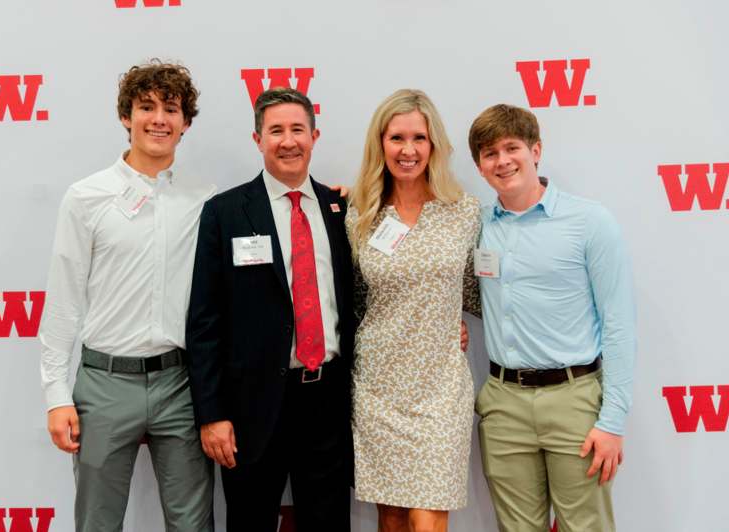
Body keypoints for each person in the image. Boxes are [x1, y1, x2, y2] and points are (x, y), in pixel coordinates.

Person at [39, 60, 215, 532]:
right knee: (97, 523)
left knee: (192, 524)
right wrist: (56, 395)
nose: (159, 118)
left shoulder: (207, 200)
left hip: (180, 385)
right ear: (125, 116)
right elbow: (63, 300)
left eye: (171, 108)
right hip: (104, 383)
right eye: (146, 107)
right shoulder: (86, 197)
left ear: (186, 123)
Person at [186, 87, 355, 532]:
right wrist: (212, 414)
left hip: (327, 400)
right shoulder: (224, 214)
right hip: (250, 408)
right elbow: (204, 323)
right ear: (257, 139)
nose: (288, 140)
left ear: (315, 137)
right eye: (275, 130)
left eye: (298, 129)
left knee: (329, 522)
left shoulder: (343, 211)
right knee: (249, 522)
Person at [468, 103, 636, 532]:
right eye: (490, 153)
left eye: (512, 148)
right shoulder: (476, 226)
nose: (502, 161)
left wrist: (612, 420)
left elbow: (618, 325)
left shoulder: (589, 222)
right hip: (504, 402)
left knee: (586, 527)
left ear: (536, 150)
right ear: (480, 167)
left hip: (574, 400)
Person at [345, 89, 481, 532]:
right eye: (397, 138)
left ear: (434, 144)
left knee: (428, 516)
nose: (408, 150)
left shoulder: (463, 211)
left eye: (419, 138)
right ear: (379, 143)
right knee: (393, 516)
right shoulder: (359, 214)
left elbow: (473, 293)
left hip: (440, 388)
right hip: (378, 387)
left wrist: (449, 320)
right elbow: (355, 299)